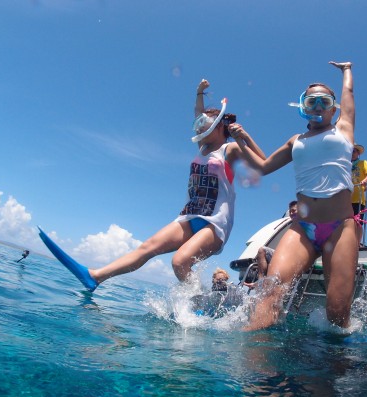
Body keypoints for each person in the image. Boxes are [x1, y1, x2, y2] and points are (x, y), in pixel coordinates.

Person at [48, 80, 265, 290]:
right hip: (190, 216)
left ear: (218, 127)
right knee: (148, 247)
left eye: (204, 123)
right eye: (198, 124)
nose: (199, 127)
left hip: (215, 225)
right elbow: (197, 113)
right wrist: (199, 93)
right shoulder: (202, 147)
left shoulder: (230, 150)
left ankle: (199, 302)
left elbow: (263, 163)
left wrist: (244, 137)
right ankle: (95, 277)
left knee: (180, 261)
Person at [234, 61, 358, 330]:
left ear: (333, 108)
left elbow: (348, 95)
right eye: (311, 101)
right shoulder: (295, 141)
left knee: (337, 313)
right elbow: (263, 166)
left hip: (340, 228)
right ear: (303, 106)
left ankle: (337, 368)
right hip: (302, 228)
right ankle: (251, 368)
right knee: (269, 294)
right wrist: (240, 141)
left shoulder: (344, 128)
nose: (317, 108)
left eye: (324, 101)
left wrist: (346, 70)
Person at [244, 200, 298, 287]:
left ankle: (263, 284)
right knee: (262, 250)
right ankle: (261, 281)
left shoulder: (306, 226)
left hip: (296, 259)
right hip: (284, 256)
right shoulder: (290, 227)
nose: (292, 213)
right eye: (290, 211)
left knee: (277, 261)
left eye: (294, 210)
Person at [350, 144, 367, 245]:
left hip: (358, 198)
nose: (352, 153)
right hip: (346, 199)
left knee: (358, 222)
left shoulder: (363, 163)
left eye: (354, 151)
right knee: (346, 223)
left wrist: (364, 181)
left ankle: (357, 243)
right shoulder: (346, 164)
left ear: (358, 153)